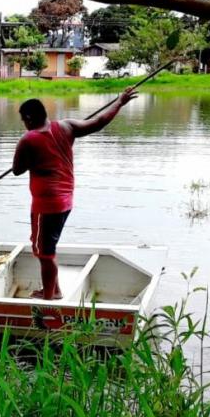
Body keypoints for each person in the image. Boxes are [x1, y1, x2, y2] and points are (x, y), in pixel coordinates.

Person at [12, 87, 138, 300]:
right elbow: (98, 122)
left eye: (24, 120)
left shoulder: (28, 140)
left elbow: (17, 170)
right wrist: (119, 102)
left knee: (44, 253)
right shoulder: (66, 126)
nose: (24, 124)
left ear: (29, 118)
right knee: (47, 247)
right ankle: (54, 289)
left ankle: (49, 298)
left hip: (46, 206)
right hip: (65, 201)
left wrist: (30, 158)